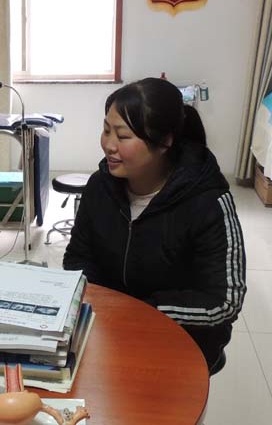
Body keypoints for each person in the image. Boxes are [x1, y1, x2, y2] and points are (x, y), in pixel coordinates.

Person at [63, 77, 246, 374]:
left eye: (123, 136)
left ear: (164, 142)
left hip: (180, 342)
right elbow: (78, 257)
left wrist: (145, 310)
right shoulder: (100, 187)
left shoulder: (207, 202)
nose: (108, 145)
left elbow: (225, 300)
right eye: (106, 130)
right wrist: (99, 306)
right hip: (108, 330)